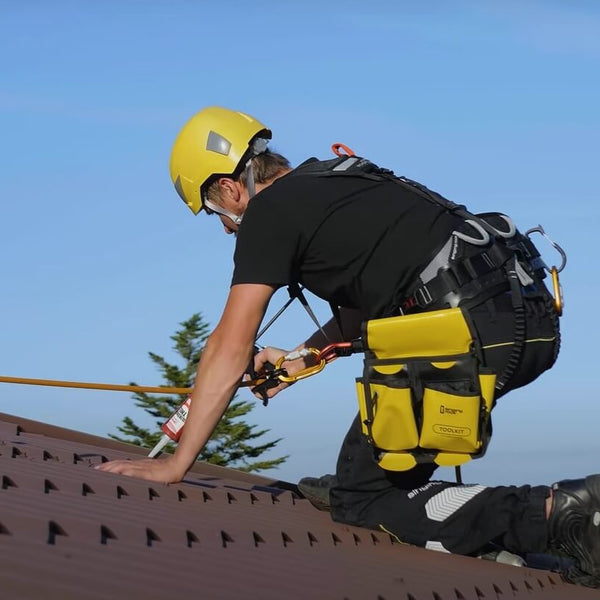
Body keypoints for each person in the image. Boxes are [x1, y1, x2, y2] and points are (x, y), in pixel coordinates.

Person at [98, 106, 600, 587]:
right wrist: (295, 361)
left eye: (213, 210)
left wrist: (174, 463)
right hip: (523, 320)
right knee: (378, 478)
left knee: (361, 499)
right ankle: (555, 546)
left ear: (229, 188)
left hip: (464, 331)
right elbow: (379, 300)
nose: (226, 226)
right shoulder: (341, 177)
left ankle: (558, 513)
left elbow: (230, 344)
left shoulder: (269, 211)